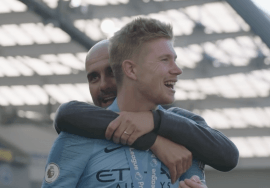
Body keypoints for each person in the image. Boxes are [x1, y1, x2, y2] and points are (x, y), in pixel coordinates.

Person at [42, 18, 238, 188]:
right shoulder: (76, 135)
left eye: (112, 71)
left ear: (128, 71)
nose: (103, 85)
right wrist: (153, 140)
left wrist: (155, 121)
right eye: (93, 77)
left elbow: (227, 155)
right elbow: (66, 113)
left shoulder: (185, 127)